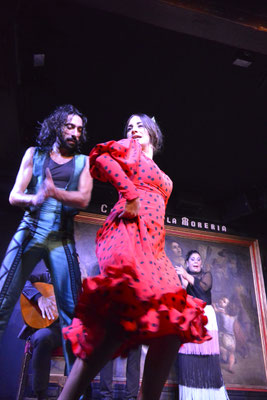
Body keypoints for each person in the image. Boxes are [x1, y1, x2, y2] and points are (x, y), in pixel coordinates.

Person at [59, 113, 209, 400]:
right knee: (114, 325)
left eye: (139, 125)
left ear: (153, 130)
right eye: (129, 127)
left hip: (154, 247)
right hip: (126, 234)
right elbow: (99, 157)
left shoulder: (162, 173)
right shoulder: (130, 149)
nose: (134, 130)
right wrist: (129, 193)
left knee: (174, 324)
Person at [0, 104, 93, 374]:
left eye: (79, 129)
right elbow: (14, 195)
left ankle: (74, 391)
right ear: (56, 126)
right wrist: (37, 197)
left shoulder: (84, 162)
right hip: (30, 227)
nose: (75, 133)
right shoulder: (34, 154)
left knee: (71, 312)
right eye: (69, 126)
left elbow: (84, 198)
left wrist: (55, 193)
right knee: (3, 297)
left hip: (61, 236)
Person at [175, 250, 229, 399]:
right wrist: (183, 284)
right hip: (189, 318)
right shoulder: (183, 277)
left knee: (207, 358)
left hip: (206, 319)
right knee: (188, 358)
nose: (196, 262)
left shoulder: (207, 275)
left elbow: (203, 288)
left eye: (198, 259)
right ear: (187, 263)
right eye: (192, 259)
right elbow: (179, 300)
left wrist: (186, 276)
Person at [18, 271, 62, 400]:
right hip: (46, 326)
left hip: (69, 328)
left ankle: (83, 393)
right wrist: (39, 297)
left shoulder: (80, 283)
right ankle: (41, 395)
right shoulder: (46, 277)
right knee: (42, 337)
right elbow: (21, 279)